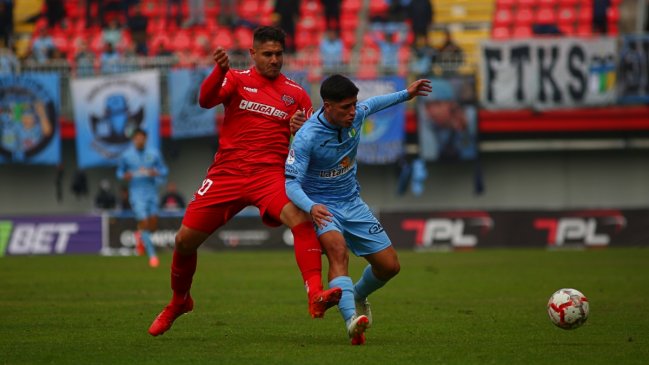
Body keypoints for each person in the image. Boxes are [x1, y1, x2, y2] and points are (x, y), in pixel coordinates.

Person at [147, 26, 342, 337]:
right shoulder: (236, 80)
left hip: (269, 176)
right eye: (267, 54)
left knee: (299, 216)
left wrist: (300, 131)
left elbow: (312, 143)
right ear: (253, 54)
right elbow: (205, 100)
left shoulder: (297, 94)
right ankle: (179, 301)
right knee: (184, 241)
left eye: (279, 54)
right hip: (227, 174)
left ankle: (315, 294)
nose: (274, 60)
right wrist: (219, 70)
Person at [284, 74, 432, 345]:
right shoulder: (307, 137)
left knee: (390, 266)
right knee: (338, 252)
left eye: (354, 104)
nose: (353, 111)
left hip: (352, 202)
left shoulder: (358, 114)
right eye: (345, 107)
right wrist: (311, 206)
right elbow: (291, 183)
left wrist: (406, 94)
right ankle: (352, 320)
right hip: (322, 206)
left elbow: (375, 103)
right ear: (327, 106)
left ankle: (360, 294)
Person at [116, 128, 168, 268]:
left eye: (142, 138)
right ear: (134, 139)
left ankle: (142, 234)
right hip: (136, 192)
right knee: (144, 221)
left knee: (153, 223)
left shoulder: (154, 153)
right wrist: (124, 176)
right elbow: (119, 172)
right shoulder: (127, 155)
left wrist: (155, 172)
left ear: (145, 139)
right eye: (137, 138)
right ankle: (152, 256)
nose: (139, 140)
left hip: (151, 191)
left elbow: (164, 170)